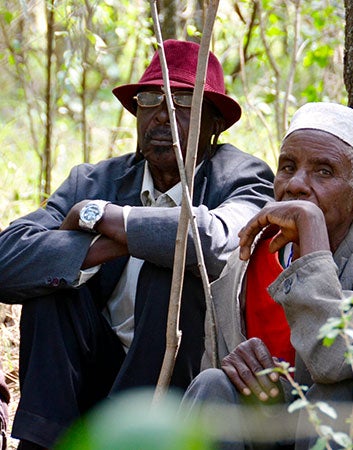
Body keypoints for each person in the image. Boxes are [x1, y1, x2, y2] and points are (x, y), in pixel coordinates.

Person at [0, 39, 275, 448]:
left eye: (183, 101)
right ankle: (42, 442)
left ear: (214, 123)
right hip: (94, 375)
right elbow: (8, 257)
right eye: (150, 99)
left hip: (185, 384)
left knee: (171, 275)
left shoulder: (241, 176)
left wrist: (107, 220)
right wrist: (107, 246)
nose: (162, 116)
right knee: (55, 285)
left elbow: (217, 240)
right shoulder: (95, 181)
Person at [181, 102, 353, 448]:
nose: (296, 184)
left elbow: (337, 361)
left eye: (323, 172)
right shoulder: (246, 259)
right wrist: (244, 376)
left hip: (339, 431)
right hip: (259, 432)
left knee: (338, 391)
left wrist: (311, 229)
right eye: (287, 167)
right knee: (212, 383)